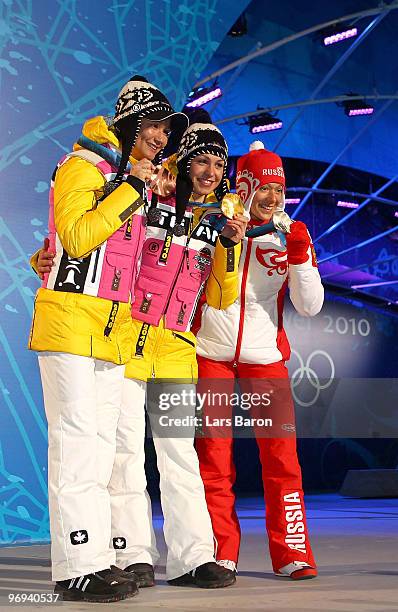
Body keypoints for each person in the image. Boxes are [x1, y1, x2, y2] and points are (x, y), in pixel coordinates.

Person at [34, 112, 247, 589]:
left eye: (218, 163)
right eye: (201, 160)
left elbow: (220, 297)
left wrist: (229, 251)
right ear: (184, 163)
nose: (210, 171)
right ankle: (131, 553)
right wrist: (41, 258)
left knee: (180, 457)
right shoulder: (150, 199)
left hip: (175, 354)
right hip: (126, 345)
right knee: (123, 454)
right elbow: (102, 247)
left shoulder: (217, 224)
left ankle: (194, 557)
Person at [28, 75, 187, 603]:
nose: (162, 137)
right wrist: (133, 189)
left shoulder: (127, 180)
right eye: (156, 124)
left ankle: (95, 559)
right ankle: (75, 565)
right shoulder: (82, 166)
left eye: (167, 129)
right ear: (130, 122)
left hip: (111, 331)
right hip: (72, 325)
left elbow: (91, 252)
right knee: (76, 448)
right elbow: (75, 235)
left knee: (100, 453)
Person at [194, 141, 324, 581]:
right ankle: (219, 552)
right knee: (213, 455)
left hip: (265, 358)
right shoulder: (215, 221)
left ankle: (292, 553)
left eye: (279, 190)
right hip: (209, 352)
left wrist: (302, 257)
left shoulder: (289, 234)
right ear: (245, 186)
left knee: (282, 457)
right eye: (264, 189)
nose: (272, 199)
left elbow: (309, 306)